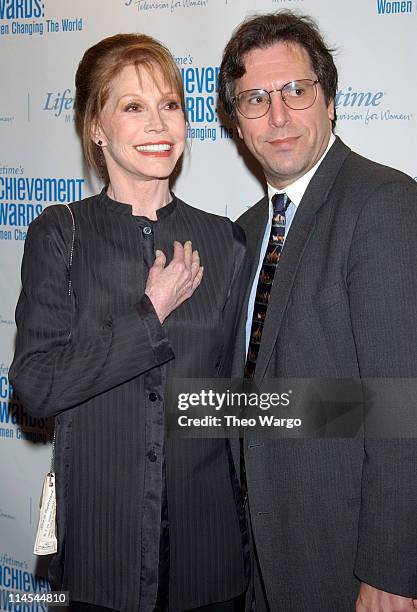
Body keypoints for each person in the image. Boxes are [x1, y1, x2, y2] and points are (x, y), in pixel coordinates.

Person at [9, 34, 249, 612]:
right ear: (97, 126)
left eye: (170, 105)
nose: (159, 124)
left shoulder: (226, 239)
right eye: (133, 107)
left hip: (209, 558)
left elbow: (238, 397)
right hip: (103, 557)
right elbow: (36, 387)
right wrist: (150, 316)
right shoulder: (61, 234)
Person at [218, 11, 417, 612]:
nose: (277, 116)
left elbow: (400, 402)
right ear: (235, 123)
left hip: (347, 561)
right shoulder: (246, 233)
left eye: (296, 91)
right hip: (257, 558)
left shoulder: (383, 204)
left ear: (329, 102)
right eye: (255, 98)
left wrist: (392, 568)